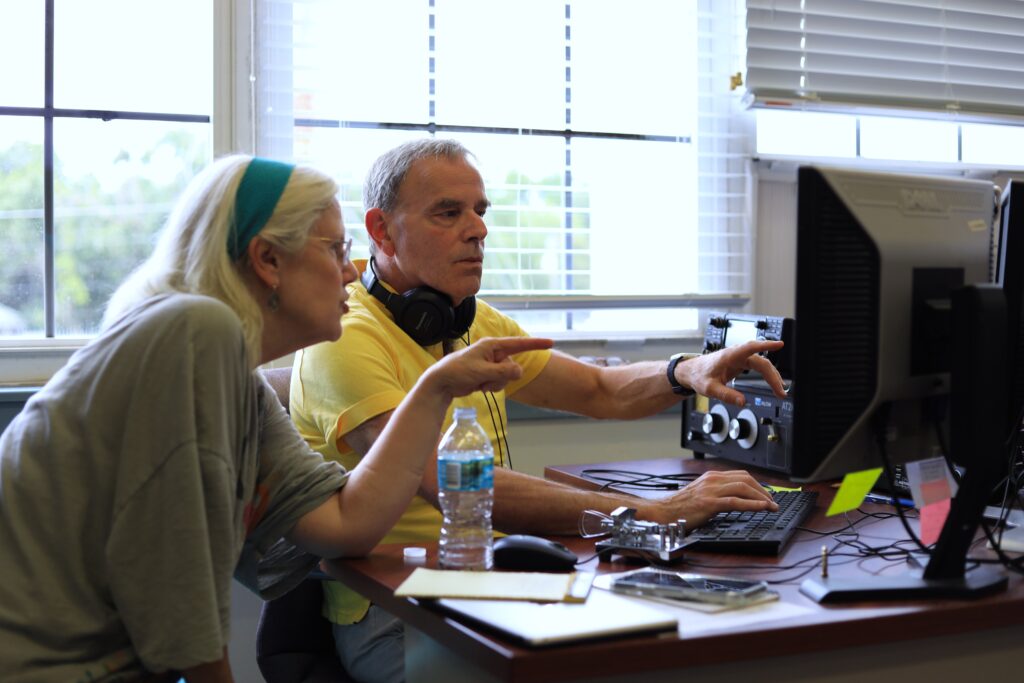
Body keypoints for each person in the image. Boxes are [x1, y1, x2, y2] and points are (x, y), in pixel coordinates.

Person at [0, 154, 551, 683]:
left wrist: (434, 389)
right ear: (267, 260)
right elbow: (181, 593)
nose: (352, 273)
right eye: (335, 249)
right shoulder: (194, 330)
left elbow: (344, 525)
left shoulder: (234, 376)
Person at [291, 138, 788, 683]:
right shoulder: (345, 338)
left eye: (480, 212)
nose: (478, 230)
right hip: (397, 612)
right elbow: (452, 482)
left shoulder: (468, 321)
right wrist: (648, 513)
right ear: (382, 230)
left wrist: (685, 371)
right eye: (448, 213)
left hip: (494, 580)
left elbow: (600, 389)